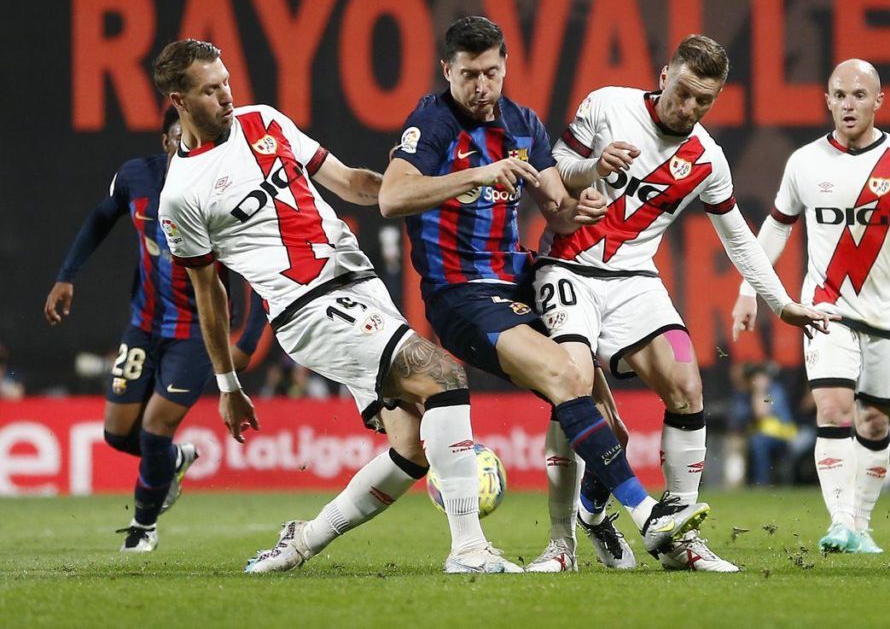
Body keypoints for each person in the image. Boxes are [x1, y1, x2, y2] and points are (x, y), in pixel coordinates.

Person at [154, 39, 531, 575]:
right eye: (210, 90)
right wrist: (228, 385)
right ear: (179, 101)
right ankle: (469, 550)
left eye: (226, 82)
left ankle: (301, 541)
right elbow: (208, 292)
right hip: (308, 308)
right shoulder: (181, 194)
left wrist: (420, 187)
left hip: (360, 285)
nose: (226, 96)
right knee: (443, 375)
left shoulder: (263, 121)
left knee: (411, 448)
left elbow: (351, 182)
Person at [380, 16, 712, 573]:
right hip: (461, 293)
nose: (481, 86)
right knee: (564, 376)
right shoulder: (432, 123)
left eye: (491, 72)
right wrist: (476, 176)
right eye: (469, 75)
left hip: (519, 281)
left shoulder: (523, 124)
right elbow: (391, 198)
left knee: (608, 426)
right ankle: (644, 515)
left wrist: (581, 206)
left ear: (505, 66)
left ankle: (594, 519)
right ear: (447, 71)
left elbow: (557, 208)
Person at [539, 34, 833, 573]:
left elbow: (738, 237)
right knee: (572, 385)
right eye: (683, 92)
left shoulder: (708, 159)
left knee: (687, 383)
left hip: (633, 278)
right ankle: (561, 546)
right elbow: (554, 169)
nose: (690, 107)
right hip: (567, 266)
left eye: (704, 100)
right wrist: (593, 169)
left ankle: (678, 534)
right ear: (663, 76)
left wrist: (783, 304)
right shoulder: (608, 105)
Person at [732, 59, 890, 554]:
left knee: (875, 423)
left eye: (859, 95)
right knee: (834, 409)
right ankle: (839, 522)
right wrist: (749, 290)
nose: (848, 104)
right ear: (827, 101)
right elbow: (776, 227)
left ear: (879, 101)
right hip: (826, 309)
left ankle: (860, 524)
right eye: (839, 95)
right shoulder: (805, 163)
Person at [43, 106, 266, 552]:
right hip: (142, 326)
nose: (192, 145)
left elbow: (259, 270)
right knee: (117, 434)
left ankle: (142, 528)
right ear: (167, 141)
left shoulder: (224, 190)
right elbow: (101, 217)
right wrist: (67, 275)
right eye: (183, 137)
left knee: (154, 429)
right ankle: (173, 460)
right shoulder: (136, 177)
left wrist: (246, 341)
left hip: (196, 333)